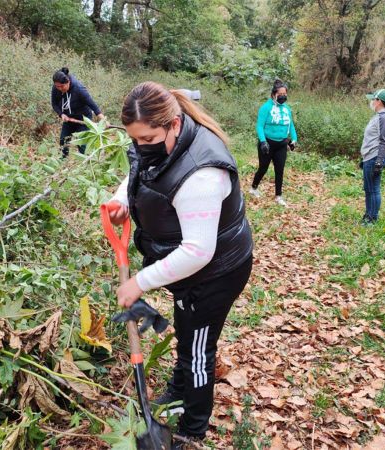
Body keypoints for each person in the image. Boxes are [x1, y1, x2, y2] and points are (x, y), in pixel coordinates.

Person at [105, 82, 253, 446]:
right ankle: (178, 388)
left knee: (199, 349)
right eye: (134, 139)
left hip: (216, 272)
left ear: (173, 123)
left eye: (147, 138)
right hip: (189, 272)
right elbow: (140, 170)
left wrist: (140, 282)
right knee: (187, 334)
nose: (140, 146)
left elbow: (198, 252)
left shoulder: (203, 172)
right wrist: (121, 198)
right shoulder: (160, 142)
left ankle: (193, 429)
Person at [249, 79, 298, 206]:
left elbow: (290, 125)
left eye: (285, 94)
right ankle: (253, 188)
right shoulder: (266, 107)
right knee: (263, 168)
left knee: (279, 170)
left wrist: (294, 139)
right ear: (273, 94)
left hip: (281, 144)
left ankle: (278, 196)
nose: (283, 96)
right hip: (267, 143)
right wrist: (263, 141)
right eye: (280, 94)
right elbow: (259, 126)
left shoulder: (287, 109)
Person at [359, 89, 385, 225]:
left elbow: (384, 141)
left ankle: (372, 219)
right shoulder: (379, 116)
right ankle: (368, 215)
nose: (371, 102)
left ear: (379, 101)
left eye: (373, 99)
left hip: (375, 157)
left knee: (373, 189)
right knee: (368, 188)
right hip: (369, 156)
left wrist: (379, 161)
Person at [50, 67, 104, 157]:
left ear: (68, 82)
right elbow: (54, 103)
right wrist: (61, 114)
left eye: (62, 86)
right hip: (69, 119)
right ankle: (62, 161)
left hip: (83, 119)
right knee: (63, 140)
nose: (59, 89)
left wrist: (103, 119)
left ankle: (86, 162)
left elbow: (92, 104)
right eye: (57, 86)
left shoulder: (79, 89)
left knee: (82, 143)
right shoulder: (56, 87)